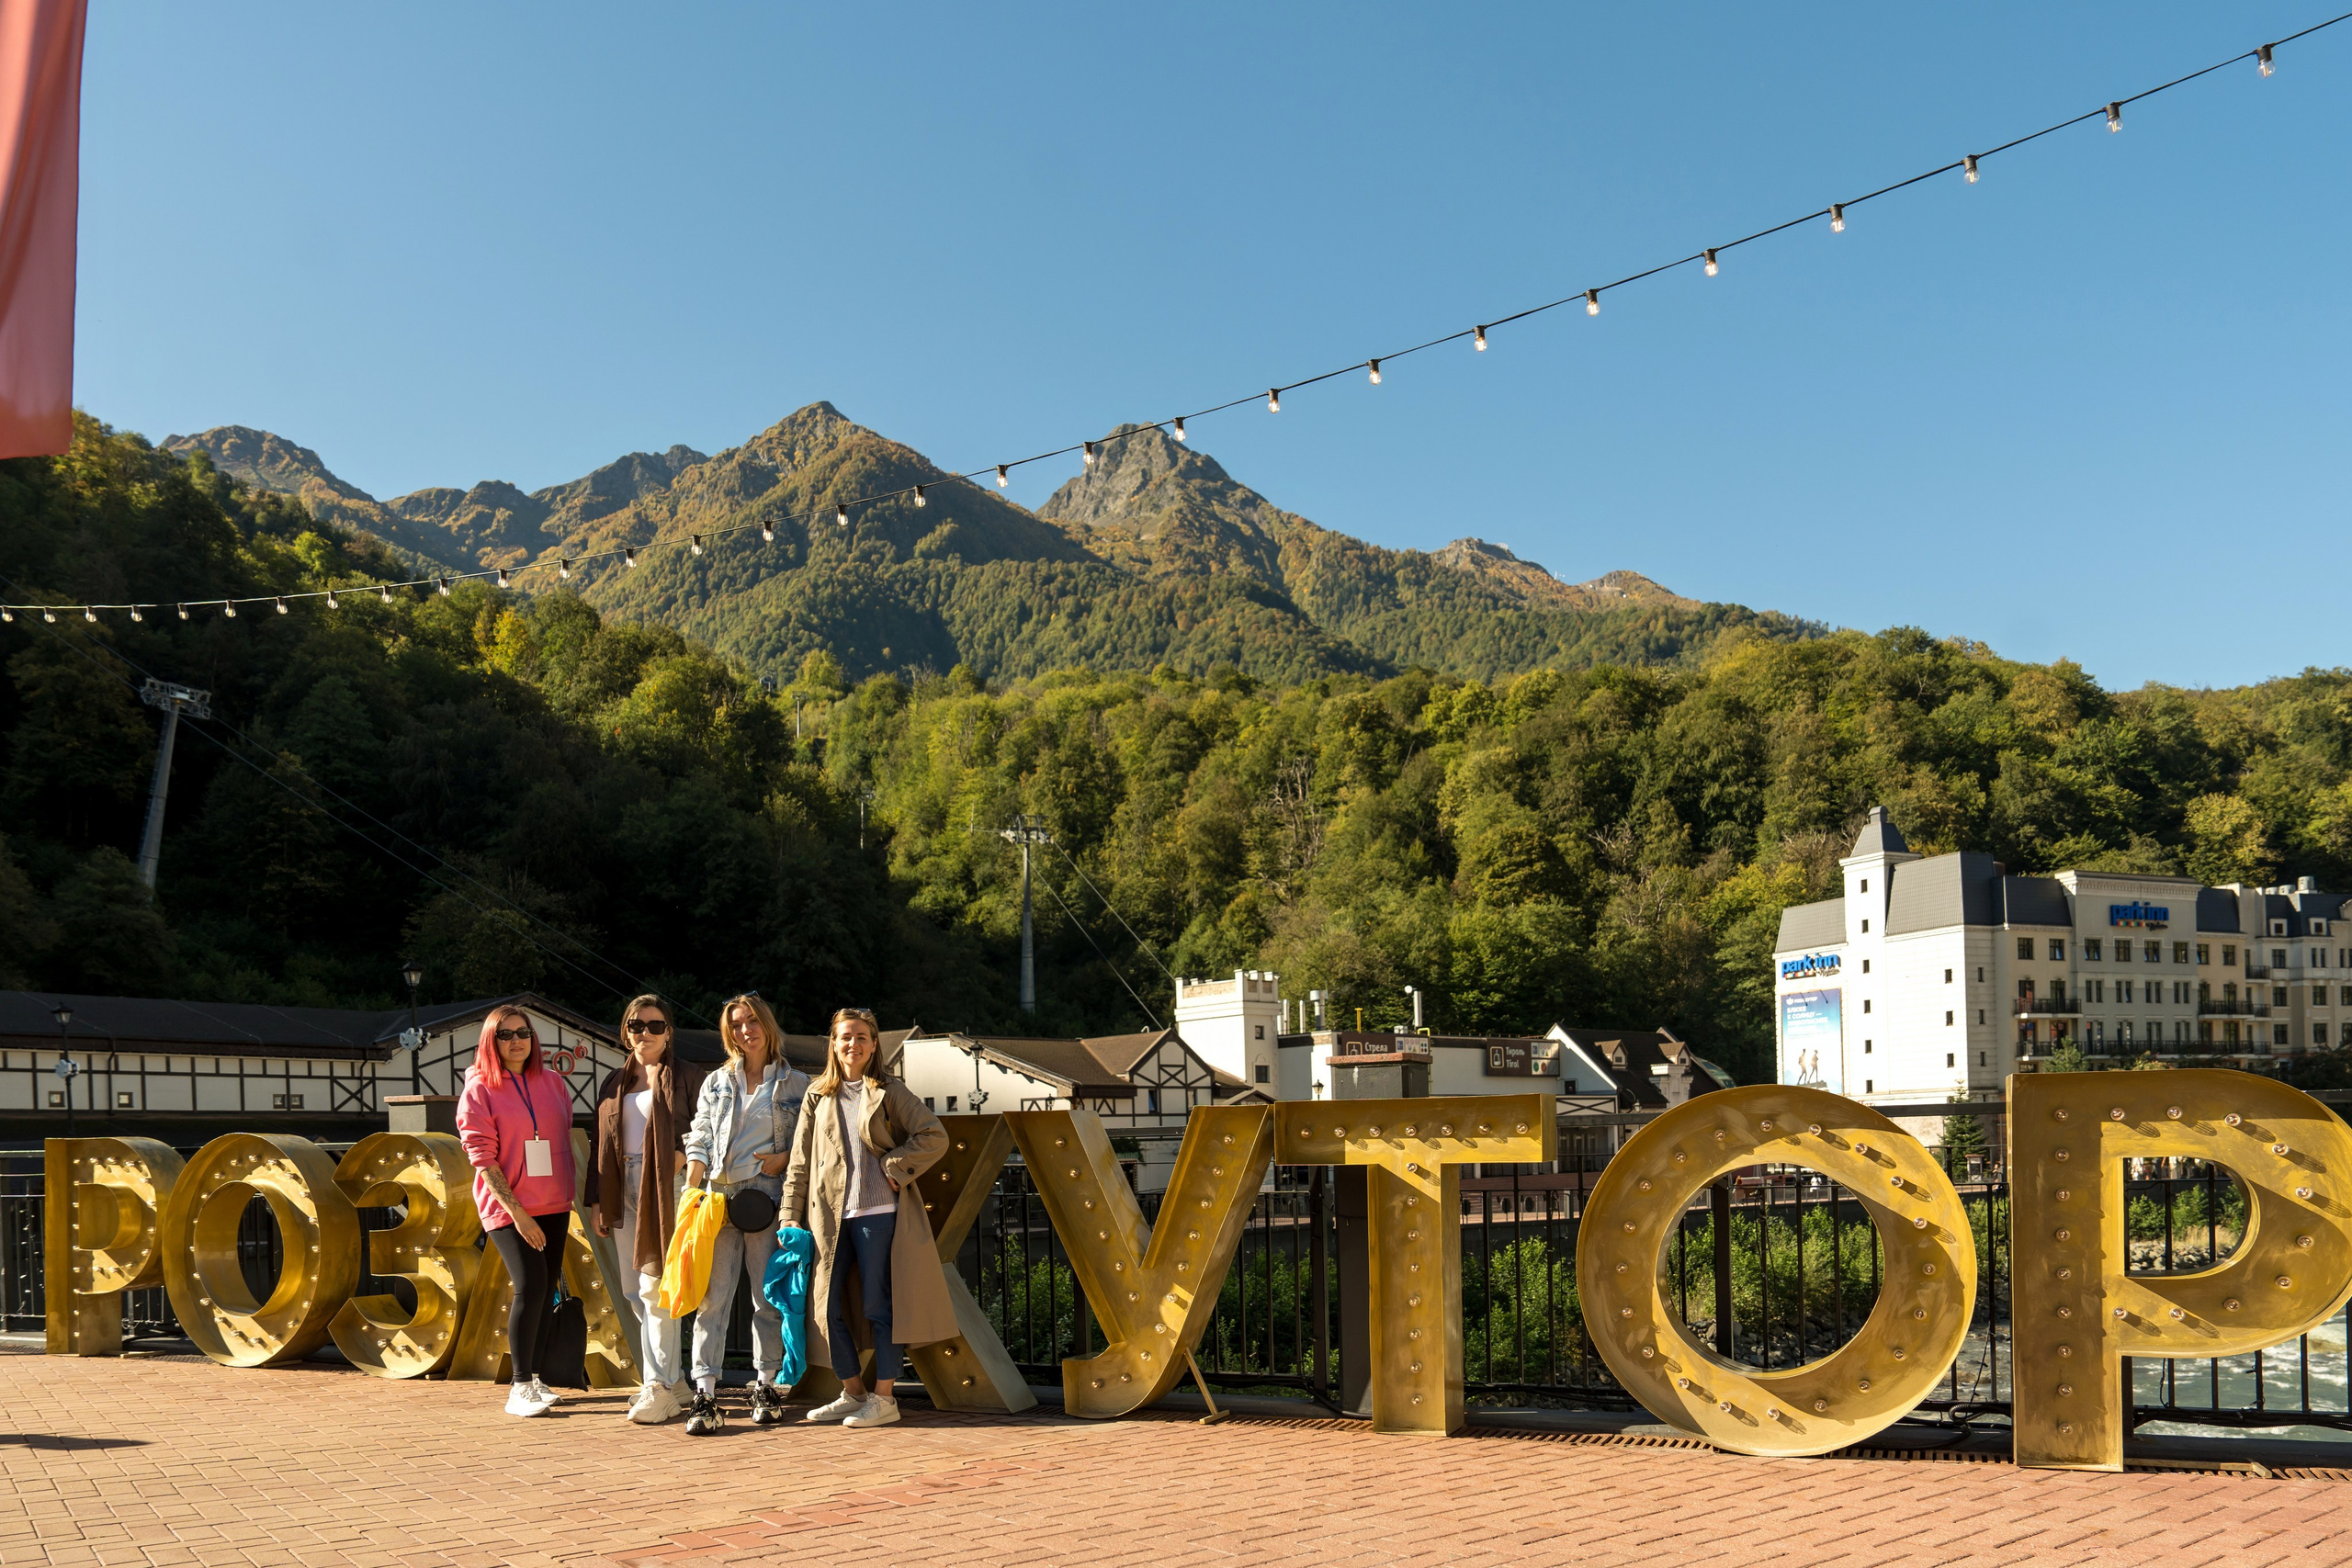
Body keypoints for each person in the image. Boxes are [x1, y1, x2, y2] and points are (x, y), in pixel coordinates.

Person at [782, 1006, 956, 1429]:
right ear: (833, 1043)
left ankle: (885, 1398)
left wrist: (895, 1165)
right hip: (828, 1216)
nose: (853, 1044)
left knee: (879, 1305)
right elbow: (800, 1161)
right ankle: (854, 1393)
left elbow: (934, 1135)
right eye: (845, 1036)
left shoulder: (889, 1090)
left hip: (878, 1214)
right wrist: (789, 1214)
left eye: (862, 1037)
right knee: (825, 1309)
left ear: (874, 1045)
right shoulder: (817, 1094)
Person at [680, 992, 811, 1435]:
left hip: (766, 1198)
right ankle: (705, 1393)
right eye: (736, 1024)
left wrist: (784, 1157)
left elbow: (811, 1142)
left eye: (752, 1021)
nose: (745, 1030)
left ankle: (766, 1385)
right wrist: (692, 1188)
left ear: (767, 1025)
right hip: (718, 1198)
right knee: (711, 1299)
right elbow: (699, 1135)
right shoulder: (716, 1081)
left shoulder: (798, 1084)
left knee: (766, 1297)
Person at [586, 993, 707, 1426]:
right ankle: (673, 1380)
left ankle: (658, 1387)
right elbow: (600, 1143)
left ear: (668, 1033)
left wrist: (684, 1158)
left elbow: (709, 1130)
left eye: (656, 1026)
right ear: (626, 1032)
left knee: (656, 1288)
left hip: (666, 1187)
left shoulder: (688, 1076)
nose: (646, 1033)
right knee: (634, 1291)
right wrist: (597, 1200)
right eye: (637, 1025)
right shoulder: (613, 1081)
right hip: (621, 1186)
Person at [455, 1005, 578, 1417]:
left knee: (545, 1290)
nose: (516, 1041)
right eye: (505, 1035)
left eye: (523, 1033)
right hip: (509, 1209)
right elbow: (482, 1159)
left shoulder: (554, 1083)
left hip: (555, 1203)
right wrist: (519, 1215)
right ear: (490, 1041)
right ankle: (519, 1386)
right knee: (530, 1285)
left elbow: (563, 1137)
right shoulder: (479, 1089)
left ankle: (536, 1379)